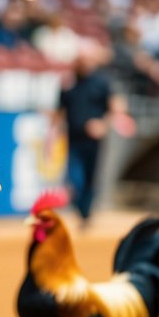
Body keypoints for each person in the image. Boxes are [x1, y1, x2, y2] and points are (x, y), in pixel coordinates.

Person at [58, 40, 124, 226]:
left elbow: (115, 106)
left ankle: (85, 213)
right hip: (73, 138)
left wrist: (103, 124)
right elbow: (60, 111)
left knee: (90, 177)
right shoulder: (68, 84)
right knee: (75, 177)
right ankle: (79, 206)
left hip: (93, 141)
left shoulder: (101, 83)